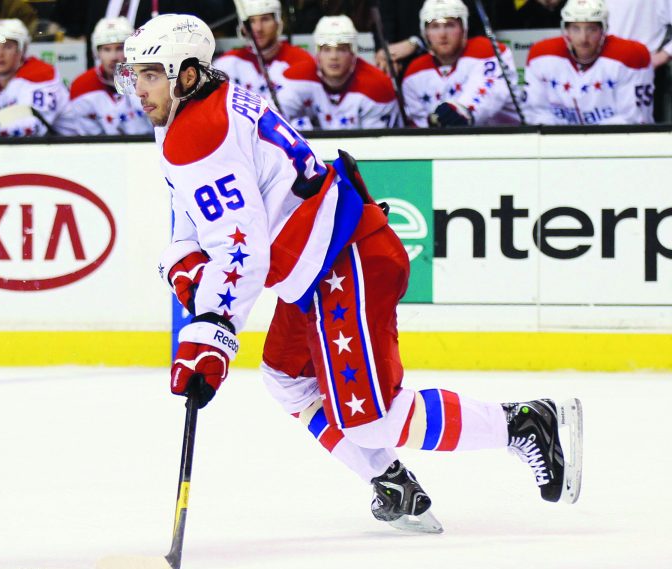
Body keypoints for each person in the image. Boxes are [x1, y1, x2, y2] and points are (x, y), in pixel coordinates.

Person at [115, 12, 584, 531]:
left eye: (150, 74)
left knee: (371, 417)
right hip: (320, 266)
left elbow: (242, 250)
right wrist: (184, 261)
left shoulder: (198, 131)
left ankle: (525, 423)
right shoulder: (195, 112)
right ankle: (392, 483)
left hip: (346, 261)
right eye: (134, 74)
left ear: (185, 75)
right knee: (287, 379)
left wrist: (212, 333)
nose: (138, 87)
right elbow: (196, 214)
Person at [524, 0, 654, 125]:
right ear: (566, 30)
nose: (583, 38)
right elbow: (536, 114)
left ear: (603, 29)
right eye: (576, 28)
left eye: (591, 29)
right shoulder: (541, 56)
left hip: (616, 144)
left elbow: (634, 120)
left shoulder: (630, 57)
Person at [402, 0, 521, 127]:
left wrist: (462, 111)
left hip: (503, 140)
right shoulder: (414, 72)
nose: (442, 34)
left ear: (463, 29)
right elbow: (419, 126)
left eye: (450, 25)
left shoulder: (486, 51)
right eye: (435, 26)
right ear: (425, 33)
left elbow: (488, 96)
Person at [276, 15, 401, 130]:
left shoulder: (377, 86)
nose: (333, 57)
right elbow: (276, 125)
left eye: (341, 49)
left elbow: (378, 145)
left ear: (353, 53)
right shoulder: (295, 79)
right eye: (327, 49)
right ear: (318, 54)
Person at [0, 18, 68, 137]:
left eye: (8, 46)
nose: (0, 54)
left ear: (22, 50)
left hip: (76, 148)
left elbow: (34, 125)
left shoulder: (41, 75)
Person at [55, 16, 152, 136]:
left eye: (120, 48)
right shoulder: (82, 87)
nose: (113, 57)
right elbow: (88, 141)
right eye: (107, 49)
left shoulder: (150, 81)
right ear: (96, 53)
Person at [213, 0, 314, 104]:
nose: (258, 28)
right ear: (242, 27)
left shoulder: (301, 60)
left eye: (265, 19)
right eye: (252, 21)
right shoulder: (226, 64)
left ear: (278, 22)